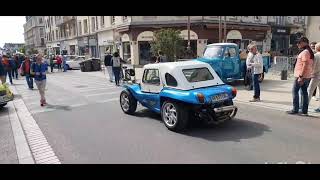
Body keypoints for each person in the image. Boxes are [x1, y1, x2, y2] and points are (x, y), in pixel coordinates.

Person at [287, 37, 314, 116]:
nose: (297, 44)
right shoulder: (308, 51)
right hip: (306, 75)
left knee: (295, 91)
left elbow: (305, 65)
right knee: (304, 93)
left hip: (302, 75)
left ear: (304, 42)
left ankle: (295, 109)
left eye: (299, 42)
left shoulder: (305, 52)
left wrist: (300, 76)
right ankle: (304, 111)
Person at [307, 42, 320, 112]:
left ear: (316, 48)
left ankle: (305, 106)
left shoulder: (316, 56)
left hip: (315, 76)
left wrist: (310, 73)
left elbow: (313, 66)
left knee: (310, 91)